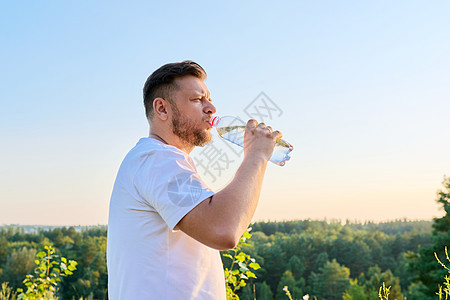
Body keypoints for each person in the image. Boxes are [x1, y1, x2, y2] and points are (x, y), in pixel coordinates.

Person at [106, 60, 283, 299]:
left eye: (209, 99)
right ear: (162, 109)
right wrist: (257, 155)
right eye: (197, 100)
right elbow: (223, 229)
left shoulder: (155, 161)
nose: (211, 108)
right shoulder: (156, 159)